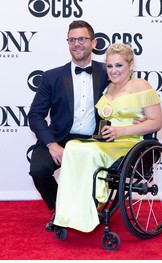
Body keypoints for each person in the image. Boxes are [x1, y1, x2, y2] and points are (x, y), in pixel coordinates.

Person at [53, 43, 162, 233]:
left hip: (130, 143)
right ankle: (68, 213)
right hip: (107, 141)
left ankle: (88, 209)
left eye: (119, 65)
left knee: (89, 151)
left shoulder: (140, 85)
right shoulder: (108, 88)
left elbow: (156, 122)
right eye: (109, 66)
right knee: (72, 146)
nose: (113, 70)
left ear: (130, 65)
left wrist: (124, 130)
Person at [28, 20, 109, 231]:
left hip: (94, 140)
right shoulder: (51, 76)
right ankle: (61, 209)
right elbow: (35, 115)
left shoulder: (108, 73)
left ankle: (87, 209)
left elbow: (125, 99)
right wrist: (52, 145)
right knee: (38, 170)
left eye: (82, 38)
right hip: (60, 137)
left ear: (94, 43)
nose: (77, 44)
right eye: (72, 39)